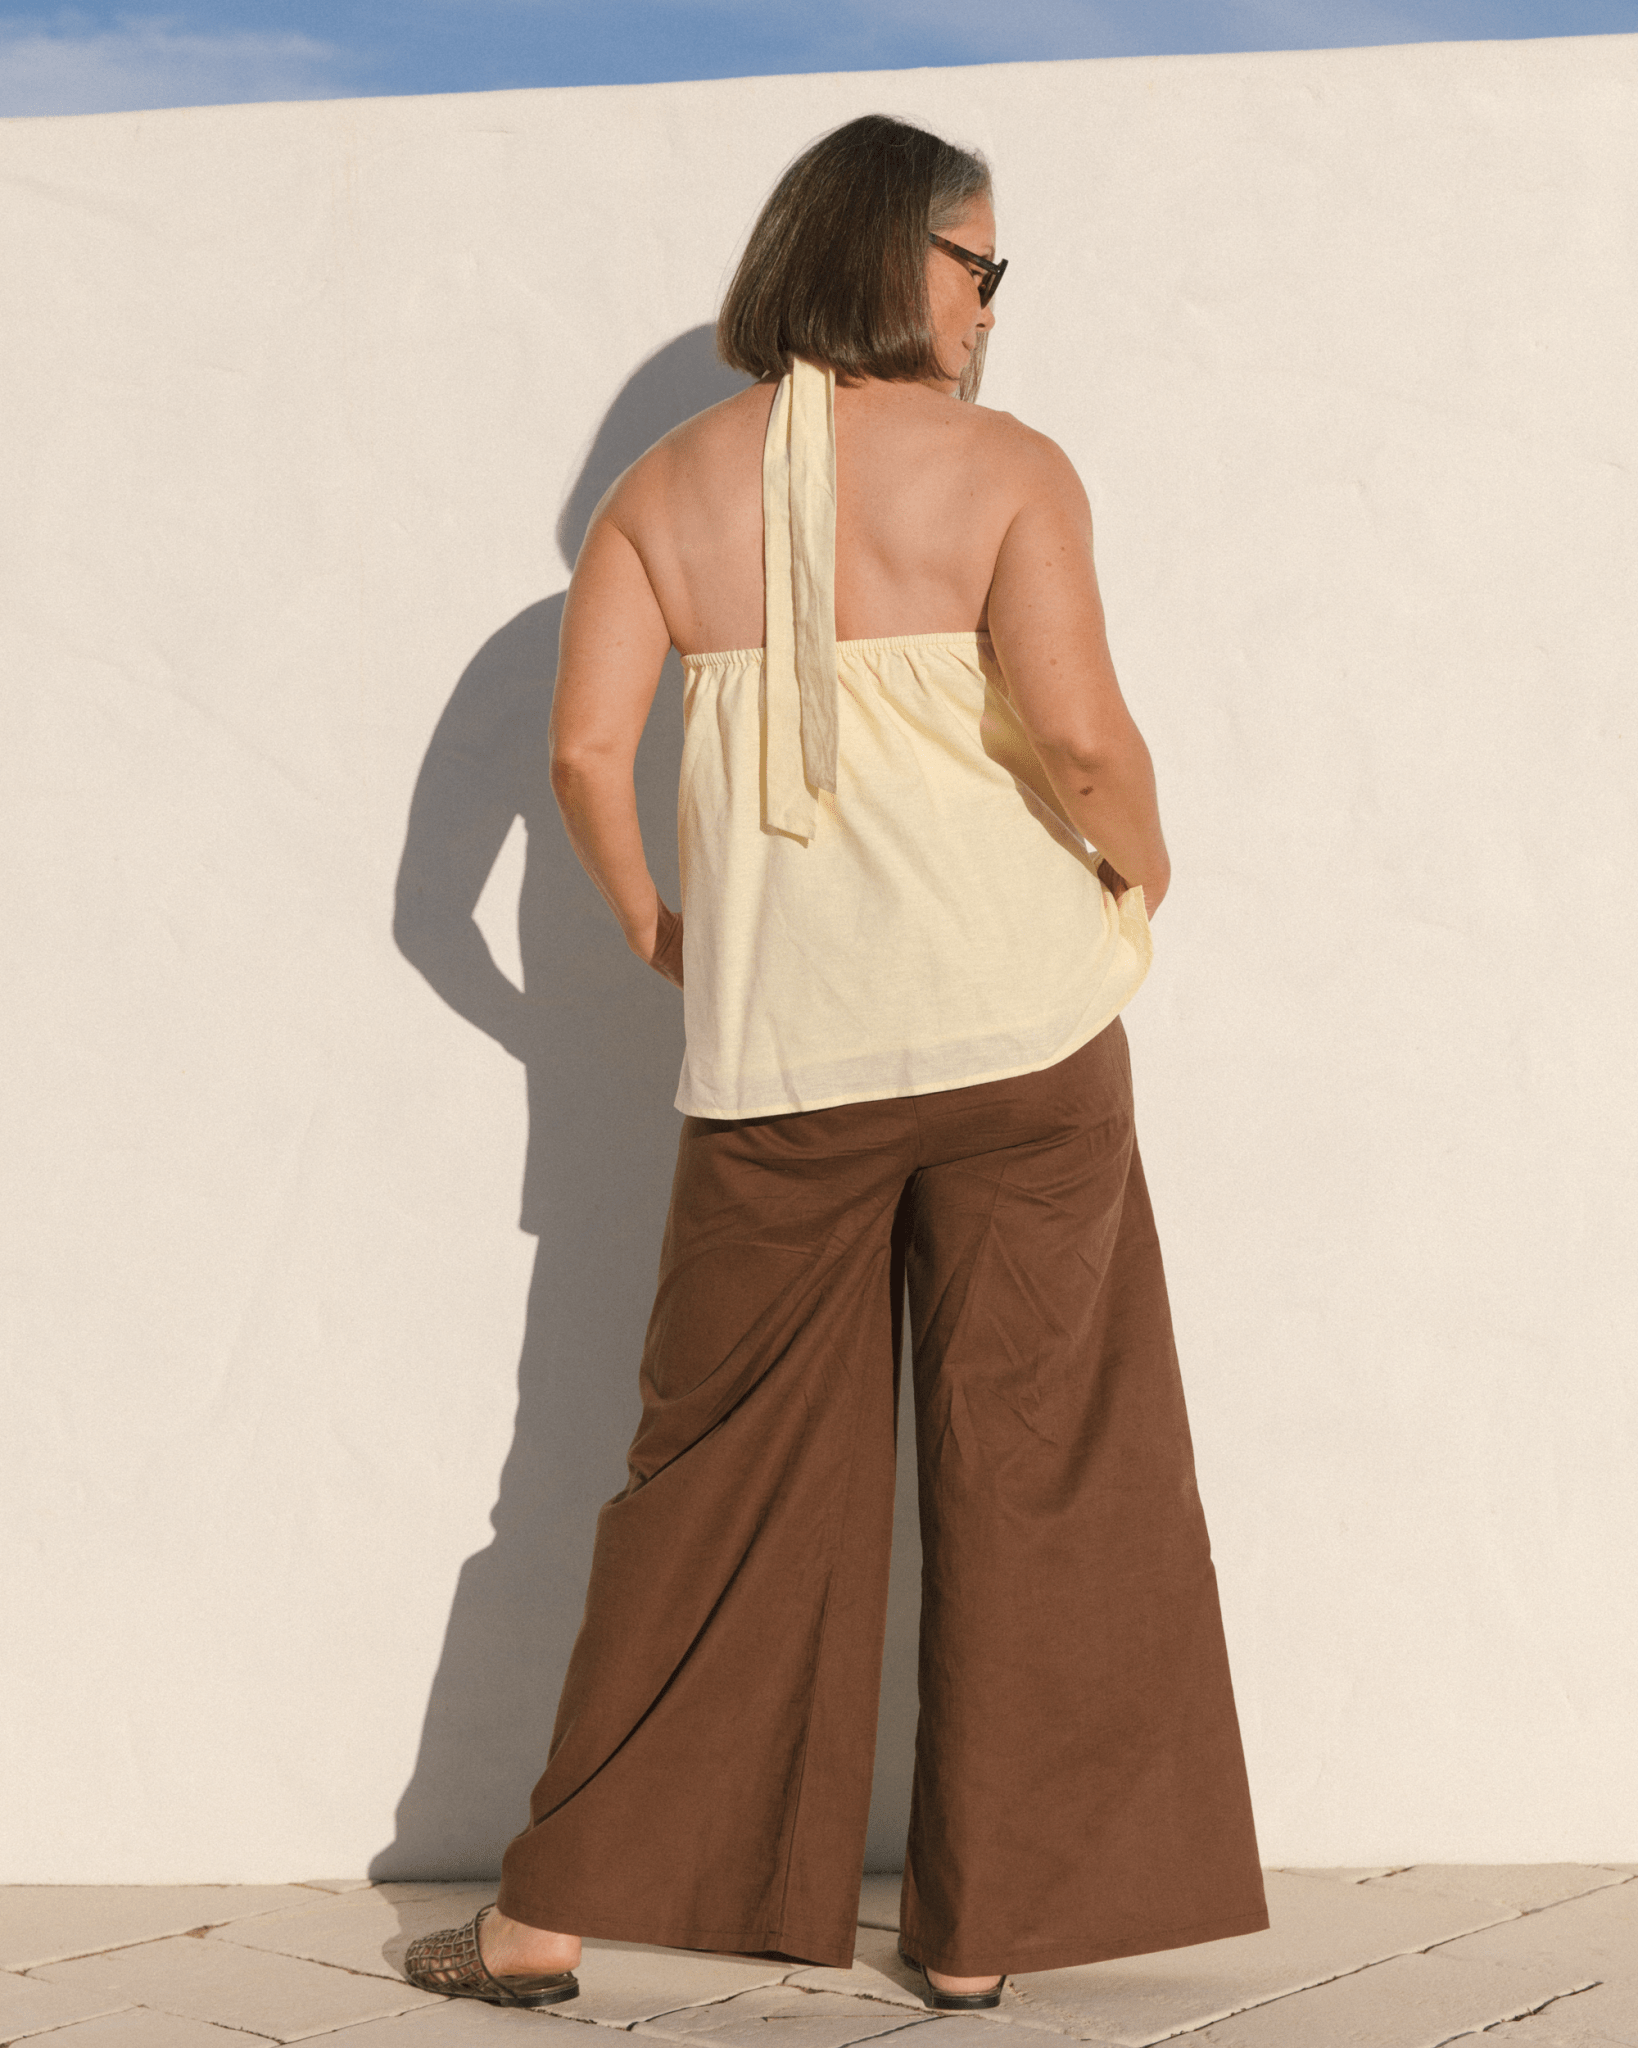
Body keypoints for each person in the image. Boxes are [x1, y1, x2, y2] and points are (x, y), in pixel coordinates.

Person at [405, 111, 1267, 2015]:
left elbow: (580, 759)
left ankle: (545, 1919)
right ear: (894, 257)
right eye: (977, 264)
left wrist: (661, 931)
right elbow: (1082, 736)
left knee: (709, 1477)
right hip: (1025, 1043)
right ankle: (979, 1937)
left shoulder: (659, 494)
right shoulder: (1008, 470)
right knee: (1044, 1467)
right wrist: (1140, 870)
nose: (991, 305)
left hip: (783, 1060)